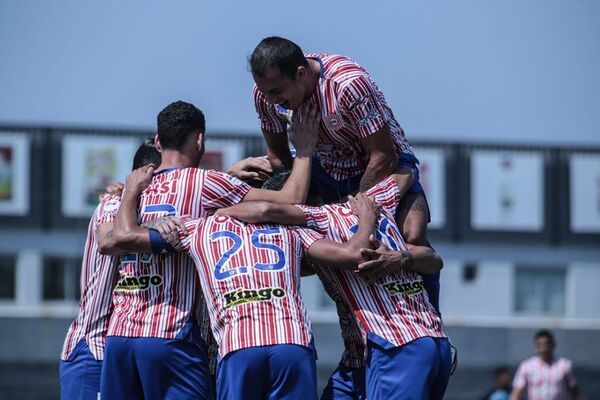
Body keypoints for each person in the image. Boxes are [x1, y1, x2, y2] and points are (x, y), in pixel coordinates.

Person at [96, 100, 320, 400]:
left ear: (158, 141)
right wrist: (304, 151)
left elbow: (112, 240)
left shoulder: (128, 192)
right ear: (200, 140)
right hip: (170, 333)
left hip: (120, 335)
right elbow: (289, 199)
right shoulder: (204, 182)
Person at [113, 164, 381, 400]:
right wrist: (366, 219)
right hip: (291, 342)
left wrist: (131, 197)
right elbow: (353, 255)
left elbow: (123, 237)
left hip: (238, 346)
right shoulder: (291, 230)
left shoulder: (199, 227)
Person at [220, 176, 451, 400]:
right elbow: (408, 174)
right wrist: (401, 256)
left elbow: (264, 211)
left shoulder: (316, 221)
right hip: (392, 350)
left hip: (395, 345)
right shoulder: (374, 200)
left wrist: (215, 214)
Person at [250, 36, 429, 246]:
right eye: (264, 92)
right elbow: (277, 155)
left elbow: (383, 155)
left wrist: (347, 208)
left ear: (300, 73)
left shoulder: (347, 84)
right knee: (256, 177)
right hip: (325, 168)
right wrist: (301, 201)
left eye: (276, 92)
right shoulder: (265, 96)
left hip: (383, 165)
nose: (271, 101)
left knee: (412, 235)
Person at [59, 138, 161, 400]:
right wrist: (161, 225)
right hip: (94, 349)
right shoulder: (114, 204)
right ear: (147, 173)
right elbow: (109, 240)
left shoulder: (149, 210)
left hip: (127, 350)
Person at [510, 329, 580, 400]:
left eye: (546, 344)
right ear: (536, 346)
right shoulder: (527, 366)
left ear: (553, 345)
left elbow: (574, 392)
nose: (543, 348)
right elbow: (516, 392)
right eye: (540, 344)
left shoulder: (564, 365)